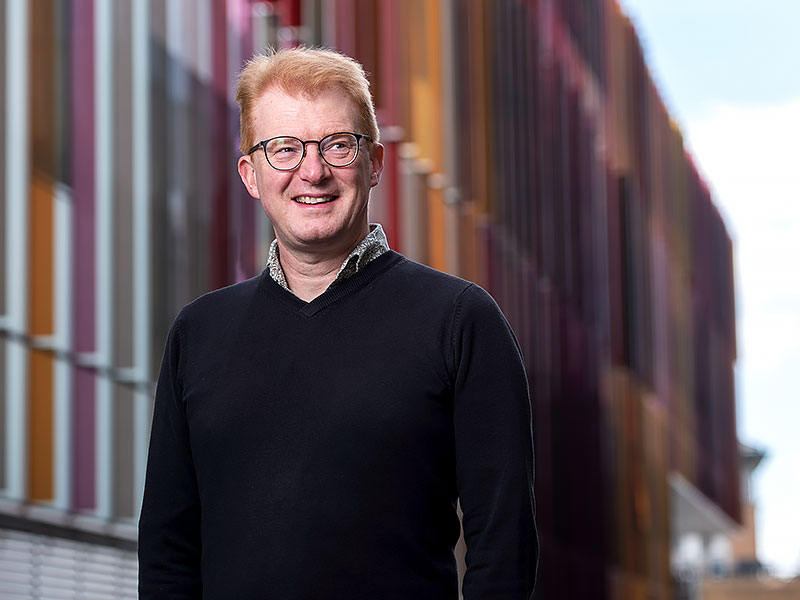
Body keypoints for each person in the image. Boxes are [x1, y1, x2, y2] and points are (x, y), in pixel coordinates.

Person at [138, 46, 538, 599]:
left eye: (337, 145)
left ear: (374, 163)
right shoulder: (199, 333)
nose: (313, 170)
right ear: (251, 175)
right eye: (284, 149)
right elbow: (167, 552)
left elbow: (504, 545)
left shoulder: (459, 321)